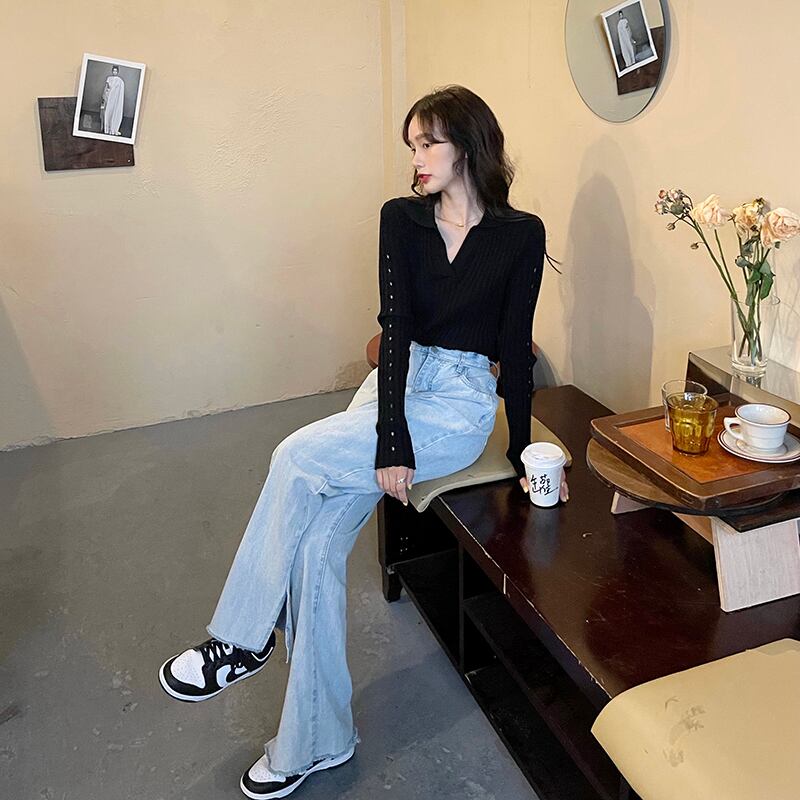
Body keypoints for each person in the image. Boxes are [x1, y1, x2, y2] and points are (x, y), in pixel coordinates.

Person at [157, 84, 567, 799]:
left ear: (468, 144)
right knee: (316, 547)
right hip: (397, 387)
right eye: (411, 145)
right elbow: (396, 328)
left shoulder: (520, 234)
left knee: (292, 456)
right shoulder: (400, 220)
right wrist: (390, 439)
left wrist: (523, 456)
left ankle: (241, 639)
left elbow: (513, 348)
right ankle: (316, 742)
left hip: (459, 406)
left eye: (428, 142)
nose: (416, 158)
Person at [100, 65, 125, 136]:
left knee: (113, 111)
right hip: (108, 96)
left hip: (114, 98)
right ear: (112, 71)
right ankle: (106, 128)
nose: (114, 72)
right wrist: (104, 95)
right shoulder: (109, 78)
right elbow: (106, 87)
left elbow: (119, 90)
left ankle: (113, 127)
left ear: (118, 72)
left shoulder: (119, 80)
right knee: (107, 111)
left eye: (116, 71)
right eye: (113, 71)